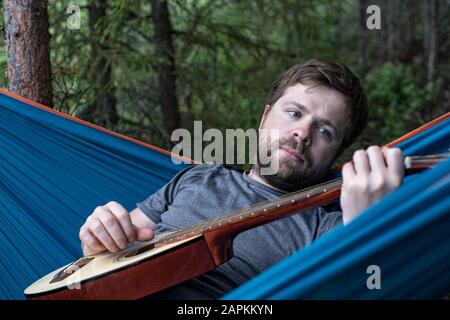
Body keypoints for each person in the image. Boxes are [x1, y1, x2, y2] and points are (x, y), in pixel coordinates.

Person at [78, 59, 404, 299]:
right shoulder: (200, 176)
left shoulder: (327, 228)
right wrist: (98, 239)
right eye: (294, 113)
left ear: (335, 154)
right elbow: (108, 255)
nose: (302, 133)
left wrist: (367, 227)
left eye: (324, 131)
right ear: (265, 118)